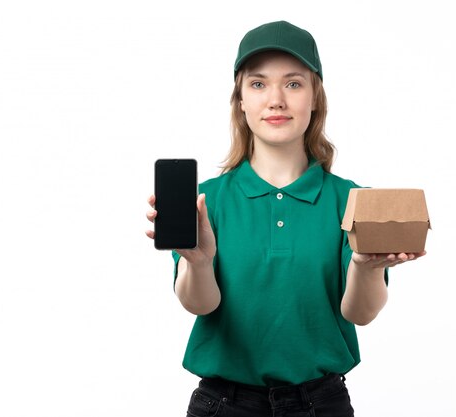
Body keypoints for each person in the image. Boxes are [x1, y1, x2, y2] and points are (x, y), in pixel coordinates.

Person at [146, 20, 426, 417]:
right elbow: (200, 305)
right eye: (258, 84)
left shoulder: (350, 198)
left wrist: (364, 267)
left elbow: (360, 314)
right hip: (224, 405)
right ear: (240, 100)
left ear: (315, 99)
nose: (275, 99)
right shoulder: (208, 199)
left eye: (293, 84)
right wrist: (199, 261)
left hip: (321, 404)